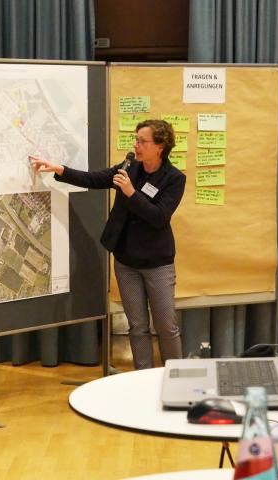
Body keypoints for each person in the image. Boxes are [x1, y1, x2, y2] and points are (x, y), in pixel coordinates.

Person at [30, 119, 185, 370]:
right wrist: (58, 169)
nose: (136, 145)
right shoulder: (129, 168)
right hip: (126, 262)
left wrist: (131, 193)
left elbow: (158, 217)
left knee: (167, 326)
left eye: (142, 141)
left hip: (157, 263)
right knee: (137, 326)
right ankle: (142, 376)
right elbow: (93, 179)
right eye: (136, 139)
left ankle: (176, 376)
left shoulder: (174, 178)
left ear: (160, 146)